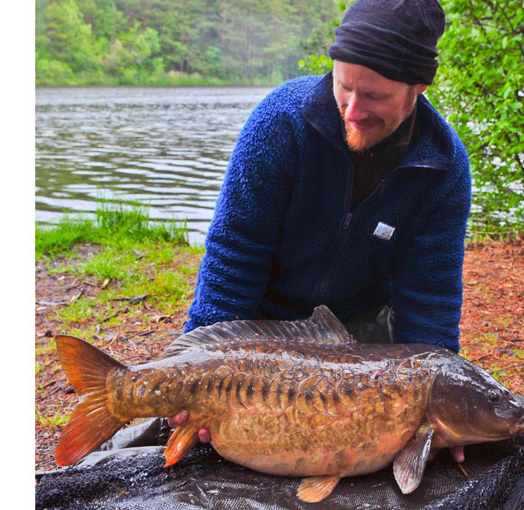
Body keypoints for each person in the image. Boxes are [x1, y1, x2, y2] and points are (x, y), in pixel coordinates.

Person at [169, 0, 471, 462]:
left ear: (418, 88)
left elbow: (430, 299)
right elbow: (235, 254)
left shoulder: (444, 167)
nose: (352, 110)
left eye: (373, 97)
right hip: (260, 321)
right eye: (344, 87)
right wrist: (202, 370)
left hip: (360, 334)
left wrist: (441, 412)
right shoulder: (280, 121)